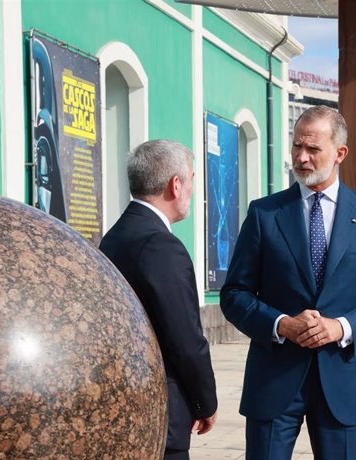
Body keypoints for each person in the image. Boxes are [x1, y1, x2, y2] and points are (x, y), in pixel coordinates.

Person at [220, 105, 356, 459]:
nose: (302, 158)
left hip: (342, 383)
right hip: (273, 381)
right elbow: (234, 294)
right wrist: (281, 324)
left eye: (313, 149)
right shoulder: (264, 214)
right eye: (296, 147)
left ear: (340, 153)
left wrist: (342, 327)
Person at [99, 140, 217, 459]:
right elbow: (185, 339)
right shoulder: (161, 246)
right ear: (175, 185)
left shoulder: (114, 237)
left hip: (121, 406)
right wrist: (205, 402)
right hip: (161, 413)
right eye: (192, 179)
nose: (193, 189)